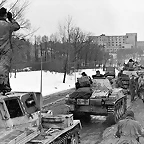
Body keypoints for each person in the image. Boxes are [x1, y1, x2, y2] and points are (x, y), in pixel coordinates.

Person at [0, 7, 20, 93]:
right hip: (5, 50)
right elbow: (17, 26)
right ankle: (4, 86)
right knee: (4, 67)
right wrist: (11, 18)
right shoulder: (8, 25)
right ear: (5, 15)